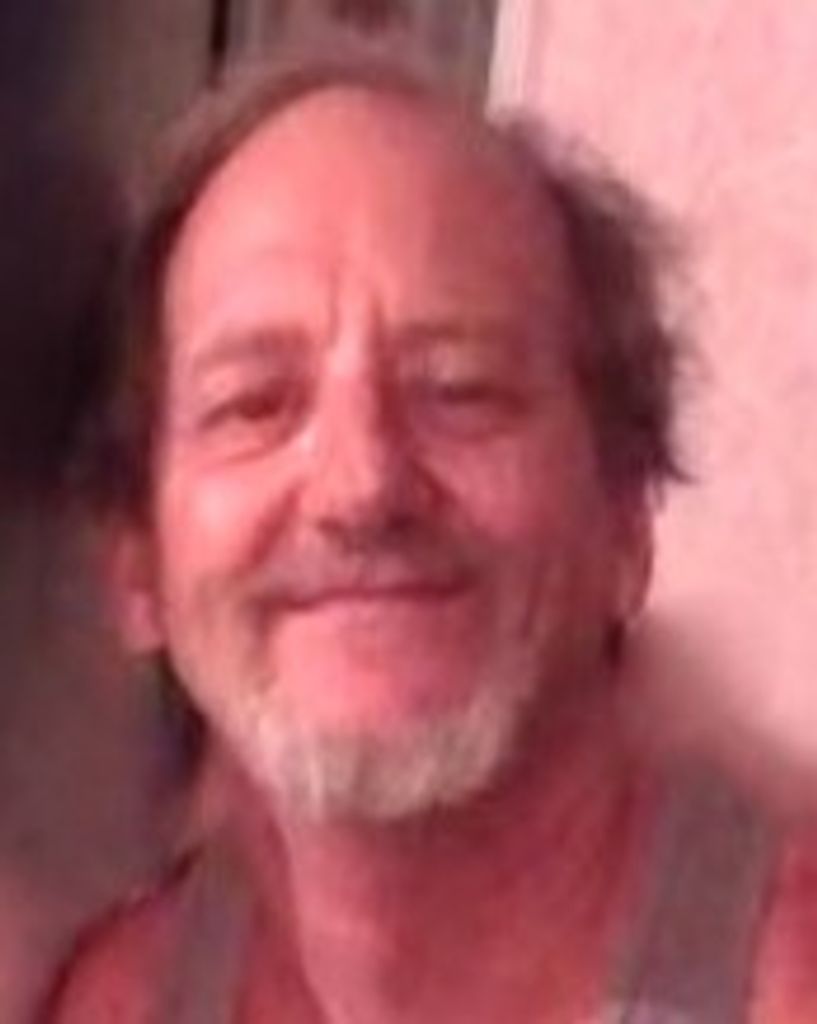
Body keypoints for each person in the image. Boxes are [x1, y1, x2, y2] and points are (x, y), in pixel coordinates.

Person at [43, 55, 793, 1023]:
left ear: (625, 515)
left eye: (459, 390)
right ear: (136, 560)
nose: (362, 487)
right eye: (255, 404)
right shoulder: (120, 1001)